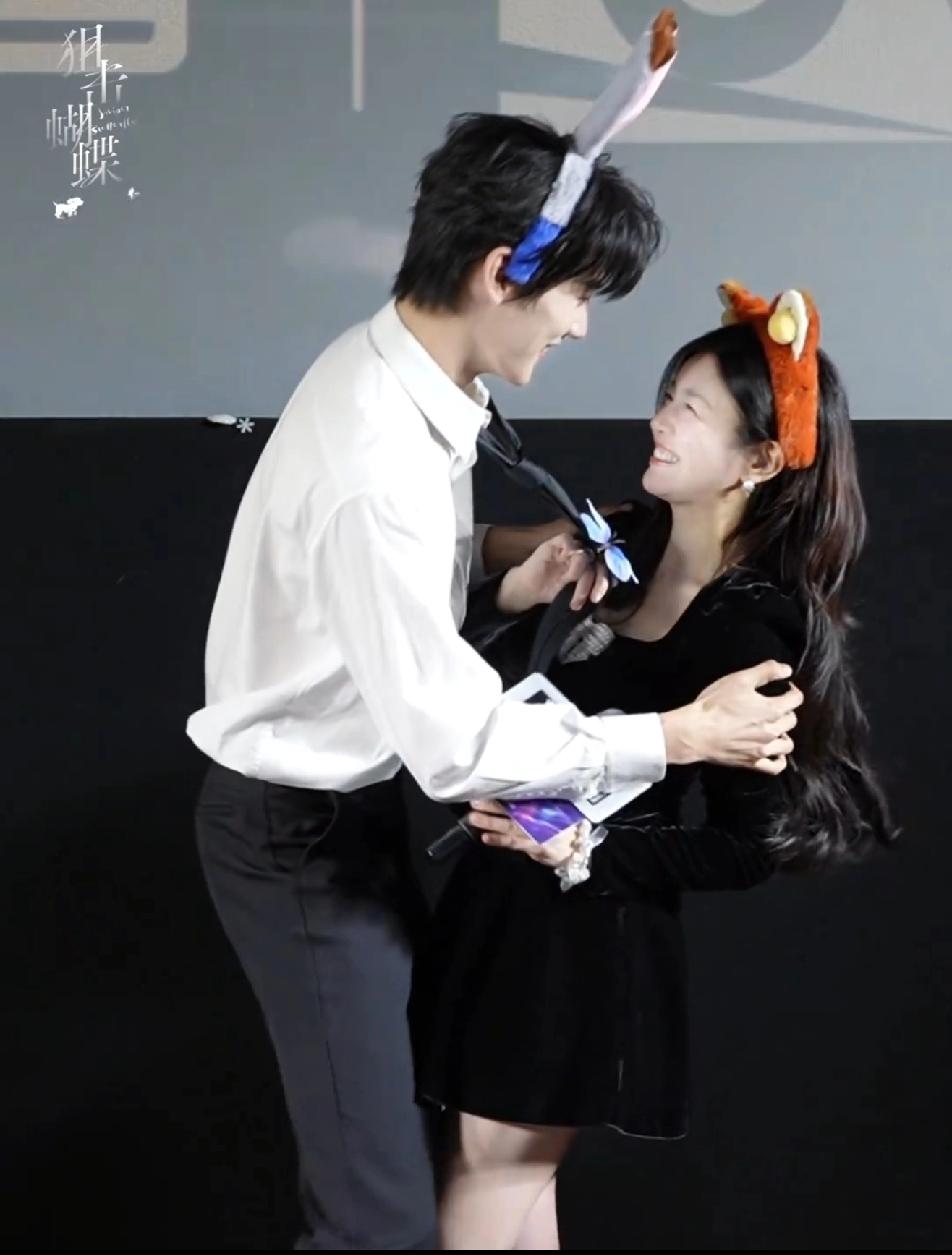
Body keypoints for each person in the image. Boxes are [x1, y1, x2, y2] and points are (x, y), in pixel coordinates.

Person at [184, 40, 800, 1245]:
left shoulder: (412, 377)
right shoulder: (376, 457)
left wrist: (507, 558)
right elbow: (457, 745)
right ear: (498, 274)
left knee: (426, 1170)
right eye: (576, 295)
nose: (579, 327)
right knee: (376, 1221)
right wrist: (679, 734)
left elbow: (391, 566)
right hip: (296, 834)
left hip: (348, 825)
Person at [409, 282, 896, 1250]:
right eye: (668, 395)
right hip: (497, 907)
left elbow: (747, 847)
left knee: (491, 1179)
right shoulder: (620, 543)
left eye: (691, 409)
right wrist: (525, 589)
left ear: (759, 460)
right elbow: (471, 643)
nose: (660, 420)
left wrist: (584, 850)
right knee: (501, 1183)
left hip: (586, 943)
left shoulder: (751, 628)